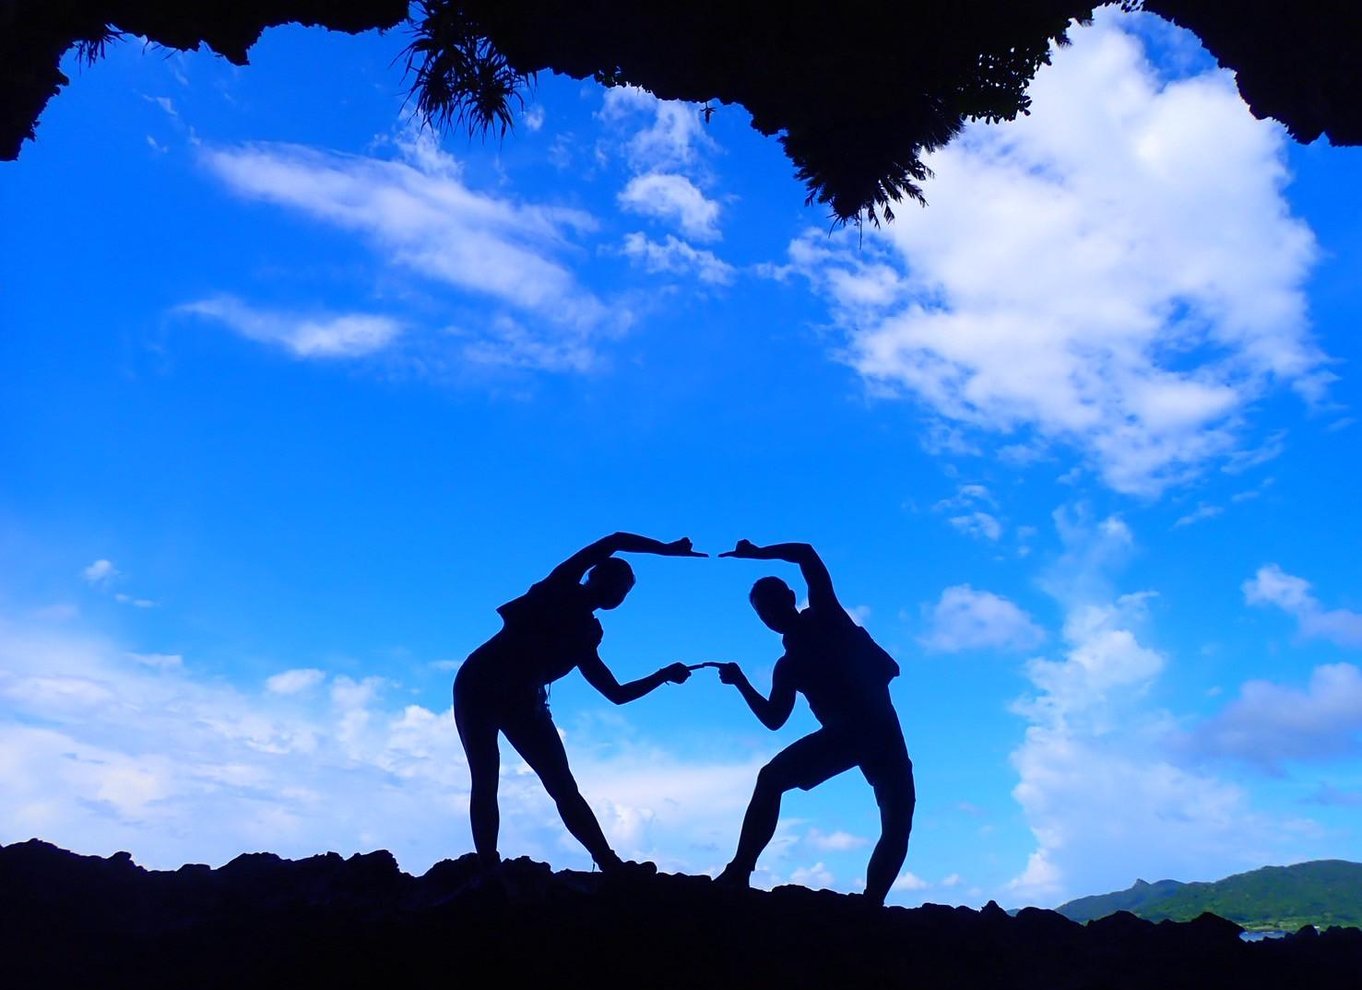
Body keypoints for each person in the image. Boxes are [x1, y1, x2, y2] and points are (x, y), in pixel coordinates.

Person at [454, 532, 703, 874]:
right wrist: (666, 549)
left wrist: (662, 675)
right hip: (481, 684)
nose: (618, 593)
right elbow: (613, 540)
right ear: (594, 576)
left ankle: (608, 862)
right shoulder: (558, 587)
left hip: (524, 698)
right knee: (486, 775)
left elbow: (615, 692)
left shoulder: (585, 634)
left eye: (625, 589)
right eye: (616, 583)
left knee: (562, 784)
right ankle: (487, 867)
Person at [713, 539, 914, 905]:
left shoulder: (827, 616)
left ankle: (871, 903)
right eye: (763, 613)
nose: (770, 616)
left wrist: (757, 553)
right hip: (856, 734)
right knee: (771, 779)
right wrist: (741, 683)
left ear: (790, 596)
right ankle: (740, 870)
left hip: (875, 731)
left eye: (772, 605)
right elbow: (775, 719)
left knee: (897, 819)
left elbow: (806, 553)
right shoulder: (788, 666)